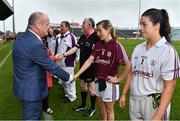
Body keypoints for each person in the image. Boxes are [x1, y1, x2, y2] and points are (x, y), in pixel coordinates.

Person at [119, 8, 180, 120]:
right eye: (140, 24)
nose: (140, 28)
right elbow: (131, 73)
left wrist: (157, 116)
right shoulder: (138, 48)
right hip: (134, 100)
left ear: (156, 25)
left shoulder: (167, 51)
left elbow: (169, 87)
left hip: (153, 102)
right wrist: (124, 93)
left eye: (144, 24)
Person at [12, 12, 73, 120]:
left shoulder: (21, 39)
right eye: (47, 24)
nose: (49, 28)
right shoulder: (35, 43)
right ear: (38, 25)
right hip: (32, 92)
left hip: (23, 87)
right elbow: (50, 66)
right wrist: (69, 77)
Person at [73, 20, 130, 120]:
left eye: (100, 31)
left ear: (108, 30)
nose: (98, 34)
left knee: (109, 110)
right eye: (97, 31)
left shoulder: (116, 46)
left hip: (109, 84)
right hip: (97, 81)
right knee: (101, 107)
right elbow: (89, 60)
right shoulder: (99, 44)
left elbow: (128, 66)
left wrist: (118, 79)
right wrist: (77, 74)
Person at [60, 18, 99, 117]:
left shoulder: (96, 37)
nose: (82, 25)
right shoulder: (83, 37)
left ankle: (93, 108)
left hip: (92, 67)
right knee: (82, 86)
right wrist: (64, 54)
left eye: (83, 23)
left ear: (89, 25)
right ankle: (83, 105)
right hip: (82, 66)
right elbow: (75, 48)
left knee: (91, 89)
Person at [55, 21, 78, 103]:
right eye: (60, 26)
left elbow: (76, 49)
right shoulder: (61, 37)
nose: (60, 27)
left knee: (69, 81)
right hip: (60, 63)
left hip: (68, 63)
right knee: (63, 80)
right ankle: (67, 94)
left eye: (62, 26)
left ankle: (72, 97)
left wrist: (76, 59)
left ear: (67, 27)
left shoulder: (71, 37)